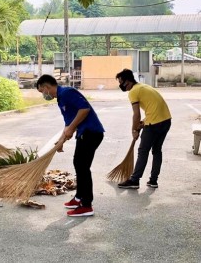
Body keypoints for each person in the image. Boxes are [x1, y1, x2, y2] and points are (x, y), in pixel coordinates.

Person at [36, 74, 104, 217]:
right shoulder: (61, 99)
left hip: (91, 132)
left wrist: (72, 128)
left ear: (47, 87)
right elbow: (68, 124)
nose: (43, 95)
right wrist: (61, 141)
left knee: (82, 167)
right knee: (78, 164)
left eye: (42, 91)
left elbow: (84, 109)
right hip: (84, 133)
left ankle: (86, 205)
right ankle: (79, 198)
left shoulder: (67, 92)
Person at [115, 69, 171, 189]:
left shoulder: (133, 92)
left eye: (121, 82)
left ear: (128, 81)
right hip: (166, 120)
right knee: (157, 151)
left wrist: (134, 130)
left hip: (154, 123)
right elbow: (153, 108)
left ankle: (134, 180)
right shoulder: (143, 87)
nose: (120, 85)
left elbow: (136, 114)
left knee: (143, 151)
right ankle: (153, 181)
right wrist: (143, 123)